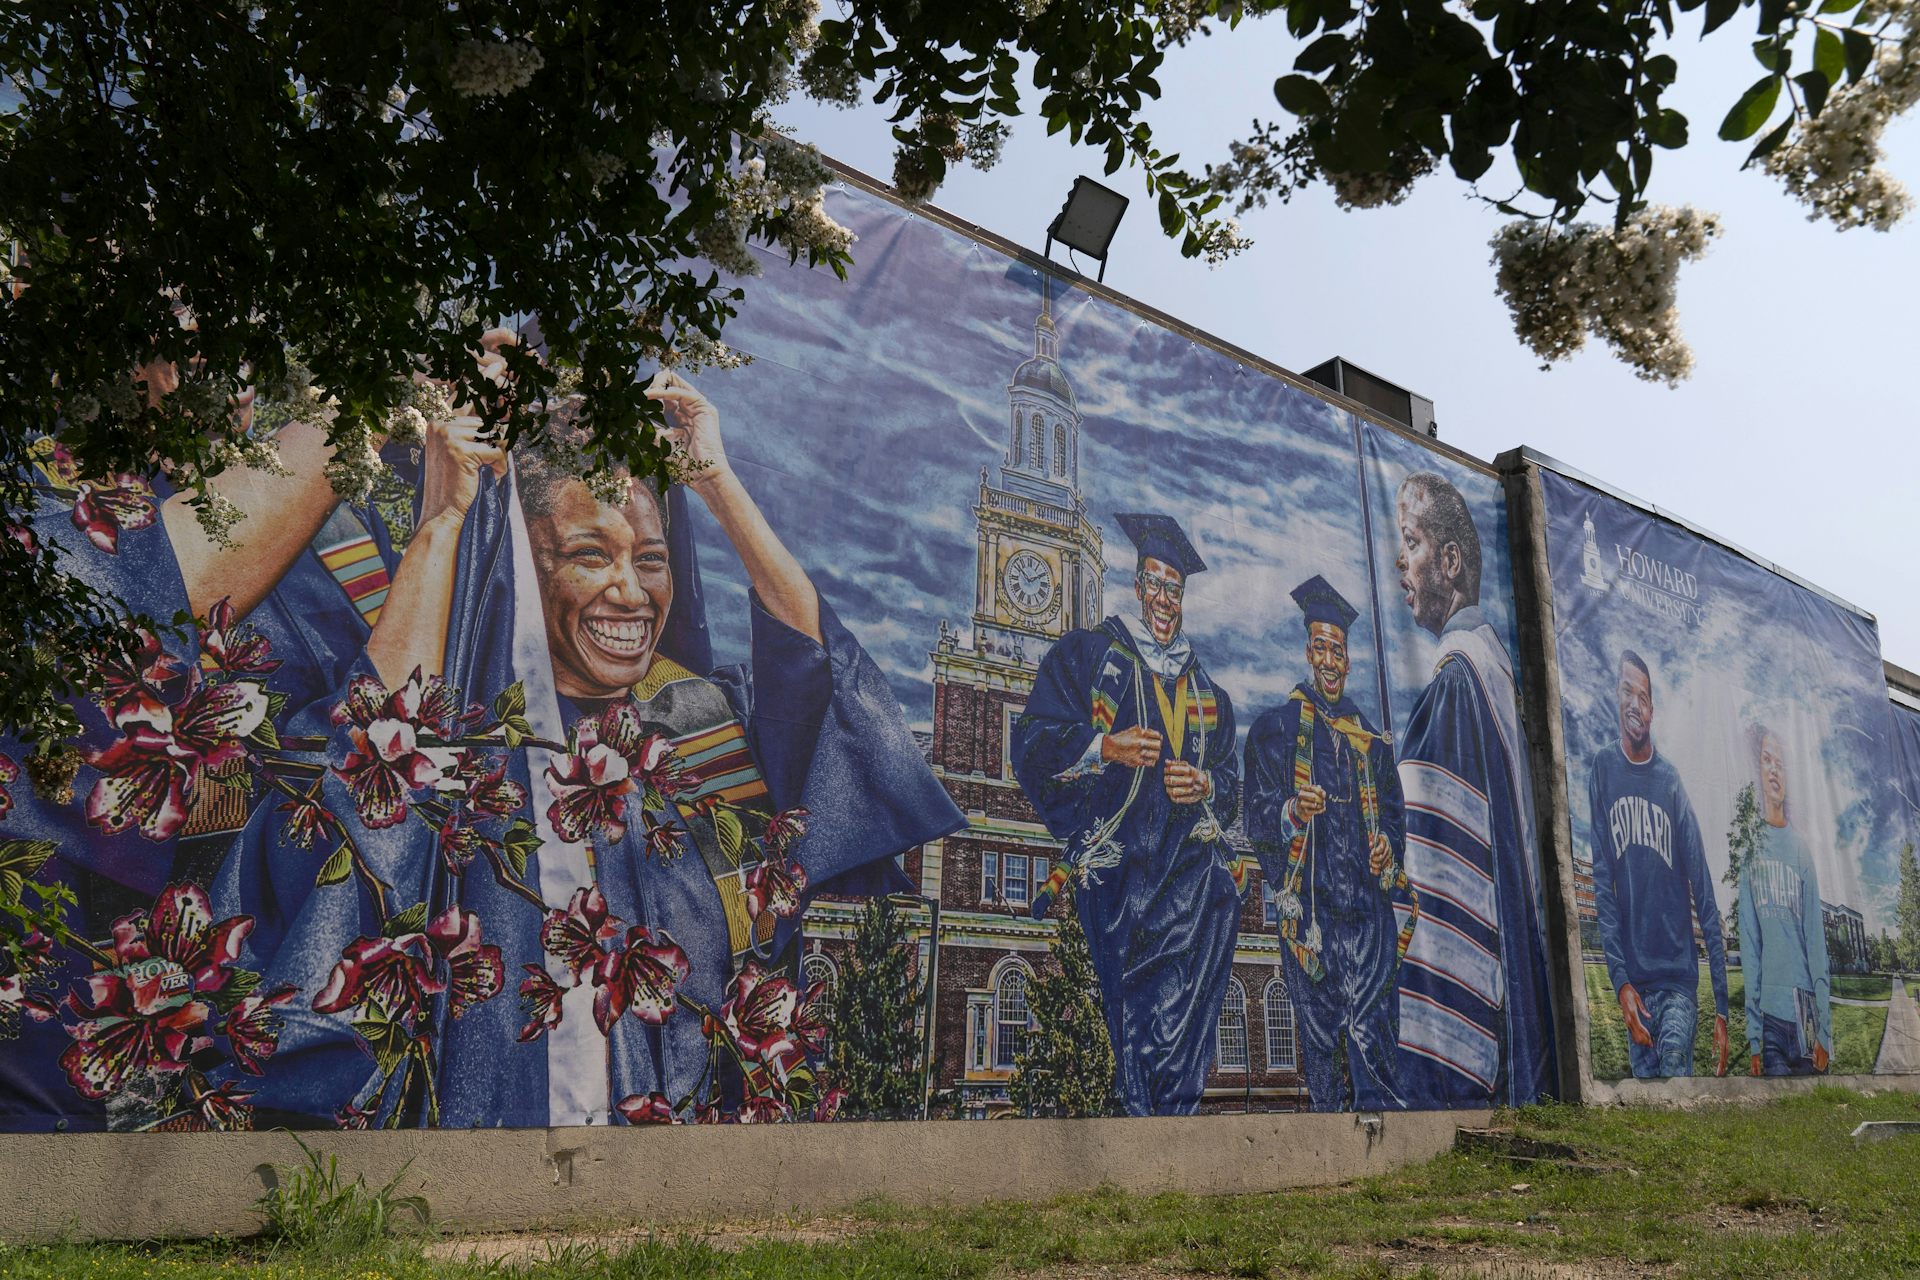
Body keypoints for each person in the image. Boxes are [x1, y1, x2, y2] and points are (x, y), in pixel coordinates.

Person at [215, 369, 962, 1127]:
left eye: (649, 558)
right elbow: (367, 770)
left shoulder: (694, 723)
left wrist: (718, 486)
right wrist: (446, 519)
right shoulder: (474, 739)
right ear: (529, 569)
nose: (631, 593)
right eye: (589, 555)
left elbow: (821, 683)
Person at [1010, 514, 1242, 1117]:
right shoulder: (1092, 656)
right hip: (1123, 873)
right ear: (1138, 588)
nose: (1165, 600)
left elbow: (1232, 785)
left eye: (1175, 588)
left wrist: (1207, 782)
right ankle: (1144, 1123)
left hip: (1188, 876)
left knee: (1191, 995)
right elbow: (1031, 743)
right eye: (1156, 584)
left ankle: (1176, 1116)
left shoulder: (1208, 692)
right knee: (1140, 1014)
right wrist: (1103, 748)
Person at [1387, 473, 1558, 1107]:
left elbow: (1437, 868)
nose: (1400, 562)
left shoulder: (1459, 685)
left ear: (1452, 561)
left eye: (1412, 542)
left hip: (1478, 1026)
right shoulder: (1491, 667)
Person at [1244, 576, 1410, 1112]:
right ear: (1307, 652)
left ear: (1349, 658)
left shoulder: (1372, 742)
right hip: (1312, 924)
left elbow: (1395, 820)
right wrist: (1292, 810)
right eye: (1321, 647)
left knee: (1377, 1051)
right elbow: (1256, 815)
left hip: (1367, 925)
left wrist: (1387, 846)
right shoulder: (1276, 731)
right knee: (1322, 1056)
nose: (1330, 661)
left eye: (1339, 649)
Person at [1587, 650, 1730, 1079]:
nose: (1634, 702)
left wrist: (1721, 1008)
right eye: (1627, 691)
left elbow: (1704, 893)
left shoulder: (1669, 780)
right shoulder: (1603, 770)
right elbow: (1602, 889)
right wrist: (1621, 983)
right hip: (1636, 988)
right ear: (1616, 697)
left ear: (1652, 711)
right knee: (1649, 1110)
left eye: (1643, 696)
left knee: (1672, 1082)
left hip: (1677, 984)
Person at [1737, 725, 1832, 1077]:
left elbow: (1817, 949)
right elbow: (1749, 948)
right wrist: (1754, 1038)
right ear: (1758, 771)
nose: (1774, 769)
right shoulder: (1750, 855)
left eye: (1780, 762)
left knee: (1812, 1120)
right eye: (1766, 760)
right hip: (1771, 1021)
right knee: (1776, 1115)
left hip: (1806, 1012)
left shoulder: (1802, 852)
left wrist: (1822, 1032)